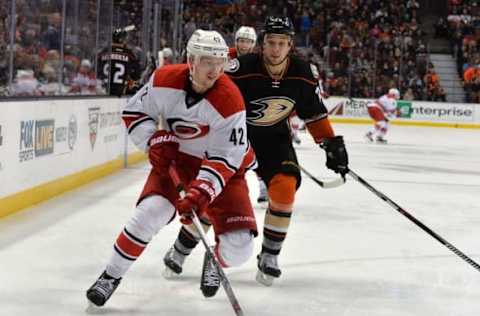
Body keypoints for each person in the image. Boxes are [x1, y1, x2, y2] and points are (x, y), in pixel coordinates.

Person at [163, 16, 349, 289]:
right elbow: (209, 89)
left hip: (274, 138)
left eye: (281, 43)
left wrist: (331, 144)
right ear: (262, 45)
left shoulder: (304, 73)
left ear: (290, 46)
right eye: (271, 43)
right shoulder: (240, 68)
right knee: (217, 195)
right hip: (234, 136)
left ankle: (270, 256)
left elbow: (313, 112)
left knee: (285, 189)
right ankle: (180, 248)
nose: (275, 49)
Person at [86, 29, 258, 307]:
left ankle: (215, 260)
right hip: (176, 162)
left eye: (219, 62)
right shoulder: (164, 80)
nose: (214, 70)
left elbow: (227, 156)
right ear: (191, 60)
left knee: (240, 248)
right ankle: (110, 276)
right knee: (147, 215)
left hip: (222, 170)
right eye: (206, 61)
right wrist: (153, 141)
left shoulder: (230, 100)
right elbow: (134, 112)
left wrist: (202, 191)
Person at [97, 27, 141, 96]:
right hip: (120, 92)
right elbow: (136, 75)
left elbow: (97, 71)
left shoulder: (104, 52)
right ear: (121, 40)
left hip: (103, 91)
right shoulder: (129, 54)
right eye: (125, 39)